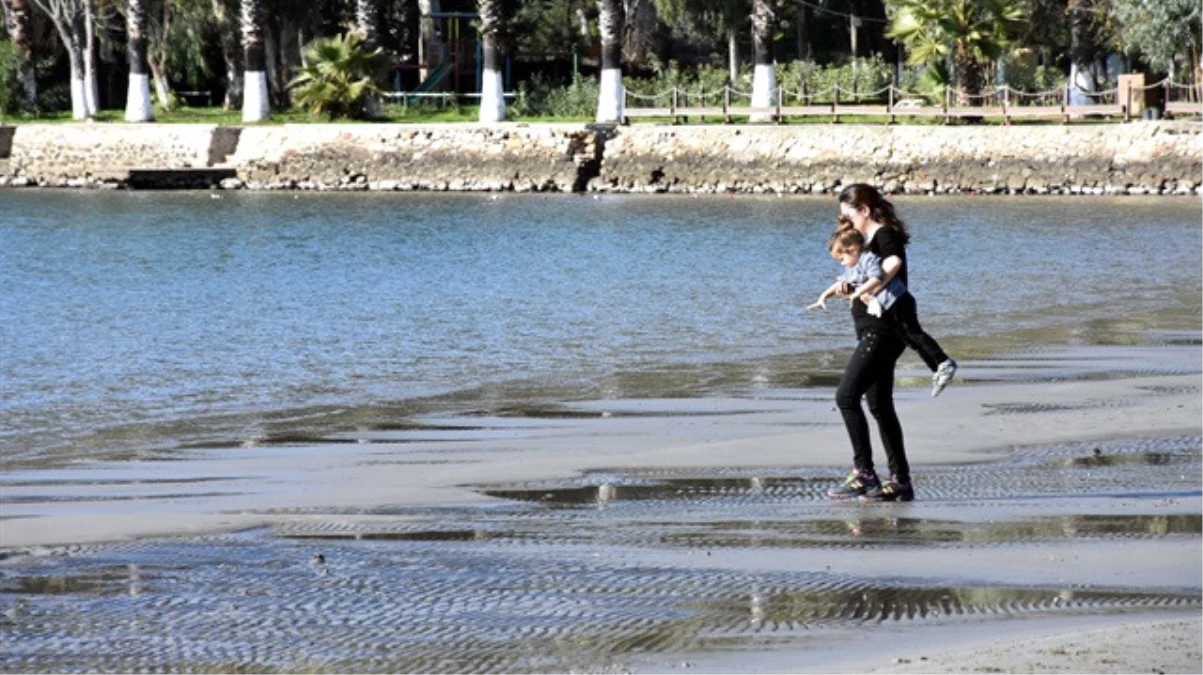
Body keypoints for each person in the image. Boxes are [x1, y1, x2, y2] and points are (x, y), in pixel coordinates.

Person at [837, 184, 957, 397]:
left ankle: (943, 363)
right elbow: (864, 275)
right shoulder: (864, 242)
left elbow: (893, 262)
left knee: (913, 334)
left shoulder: (884, 233)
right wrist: (850, 288)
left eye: (848, 215)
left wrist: (873, 286)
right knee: (910, 337)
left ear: (864, 210)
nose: (845, 222)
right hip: (884, 311)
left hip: (897, 302)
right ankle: (939, 366)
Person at [808, 219, 905, 320]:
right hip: (881, 305)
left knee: (908, 332)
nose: (842, 264)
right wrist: (823, 296)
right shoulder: (852, 266)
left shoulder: (868, 259)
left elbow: (876, 279)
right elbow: (841, 282)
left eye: (842, 259)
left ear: (852, 250)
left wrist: (857, 293)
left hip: (896, 300)